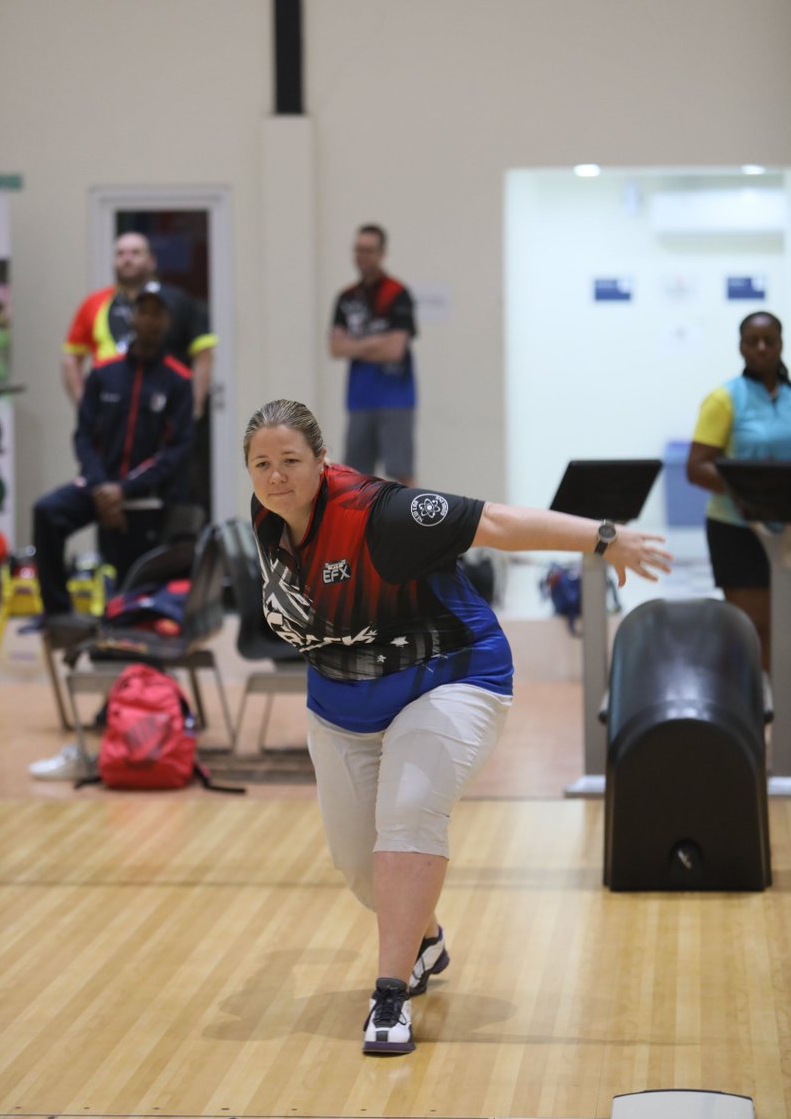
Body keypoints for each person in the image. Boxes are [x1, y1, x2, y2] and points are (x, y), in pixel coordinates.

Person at [243, 399, 671, 1057]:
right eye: (262, 464)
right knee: (359, 864)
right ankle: (423, 939)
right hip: (340, 707)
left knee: (408, 815)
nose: (275, 477)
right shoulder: (269, 520)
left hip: (452, 677)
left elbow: (496, 521)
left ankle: (389, 996)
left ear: (322, 461)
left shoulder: (380, 514)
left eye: (290, 462)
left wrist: (603, 537)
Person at [34, 288, 194, 628]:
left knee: (124, 604)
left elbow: (175, 452)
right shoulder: (103, 373)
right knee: (47, 512)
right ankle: (58, 614)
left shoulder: (178, 380)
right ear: (132, 318)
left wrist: (123, 490)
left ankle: (121, 630)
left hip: (144, 499)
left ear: (167, 321)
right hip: (98, 488)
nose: (150, 321)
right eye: (144, 312)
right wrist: (101, 488)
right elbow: (83, 436)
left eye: (158, 314)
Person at [61, 231, 216, 511]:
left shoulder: (178, 301)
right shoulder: (94, 304)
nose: (127, 259)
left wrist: (193, 407)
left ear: (152, 260)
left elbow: (203, 355)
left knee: (168, 501)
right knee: (84, 503)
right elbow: (71, 357)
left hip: (159, 418)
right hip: (112, 423)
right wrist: (88, 407)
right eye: (120, 253)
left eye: (135, 253)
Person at [687, 310, 791, 671]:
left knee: (783, 627)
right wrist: (753, 493)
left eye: (770, 340)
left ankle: (783, 713)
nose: (761, 348)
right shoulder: (724, 398)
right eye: (752, 341)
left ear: (781, 343)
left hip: (787, 528)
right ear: (741, 346)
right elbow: (696, 467)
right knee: (752, 628)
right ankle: (754, 712)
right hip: (737, 529)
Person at [329, 224, 417, 485]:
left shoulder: (397, 294)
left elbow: (395, 349)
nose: (362, 256)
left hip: (396, 398)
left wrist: (355, 344)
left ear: (382, 253)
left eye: (368, 250)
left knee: (401, 473)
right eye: (358, 250)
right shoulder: (346, 298)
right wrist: (376, 341)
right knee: (354, 476)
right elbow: (335, 348)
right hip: (359, 399)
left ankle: (411, 526)